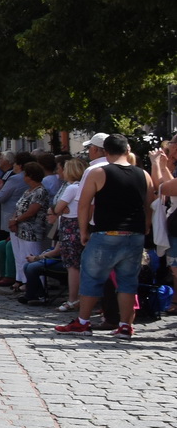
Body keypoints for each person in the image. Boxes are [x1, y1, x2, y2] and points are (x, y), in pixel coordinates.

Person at [55, 133, 153, 338]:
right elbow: (148, 204)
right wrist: (145, 226)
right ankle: (126, 325)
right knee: (127, 282)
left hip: (106, 232)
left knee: (91, 278)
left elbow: (83, 205)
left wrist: (83, 231)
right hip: (133, 234)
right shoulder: (143, 174)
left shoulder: (98, 173)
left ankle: (83, 322)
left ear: (105, 151)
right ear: (127, 150)